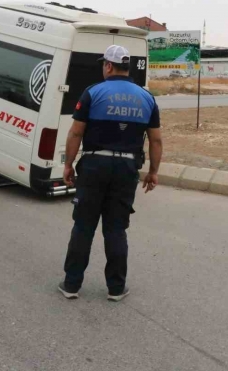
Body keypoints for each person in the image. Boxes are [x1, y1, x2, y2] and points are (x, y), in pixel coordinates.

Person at [58, 44, 162, 302]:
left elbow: (76, 132)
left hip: (94, 166)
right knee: (116, 229)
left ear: (108, 65)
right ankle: (116, 288)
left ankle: (71, 285)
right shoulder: (147, 98)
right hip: (127, 168)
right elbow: (156, 140)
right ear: (126, 67)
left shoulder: (93, 93)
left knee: (83, 226)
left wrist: (68, 164)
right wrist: (153, 172)